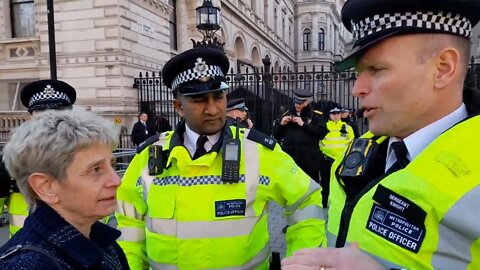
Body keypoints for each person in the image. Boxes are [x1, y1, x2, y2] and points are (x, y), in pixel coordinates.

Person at [282, 0, 480, 269]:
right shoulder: (358, 154)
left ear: (443, 68)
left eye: (376, 70)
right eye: (358, 73)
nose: (357, 89)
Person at [115, 44, 325, 269]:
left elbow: (307, 202)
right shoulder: (148, 158)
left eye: (218, 97)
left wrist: (303, 263)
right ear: (178, 106)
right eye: (199, 100)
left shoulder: (258, 151)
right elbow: (128, 226)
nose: (213, 109)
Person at [0, 108, 129, 269]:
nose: (116, 180)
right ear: (46, 187)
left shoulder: (103, 244)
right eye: (96, 169)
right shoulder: (28, 265)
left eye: (112, 165)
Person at [0, 79, 77, 238]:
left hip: (82, 242)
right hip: (25, 246)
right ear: (31, 117)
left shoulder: (90, 151)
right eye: (42, 115)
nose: (49, 121)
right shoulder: (12, 154)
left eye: (57, 114)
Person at [272, 89, 328, 184]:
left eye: (301, 103)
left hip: (309, 161)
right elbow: (277, 135)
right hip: (291, 159)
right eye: (296, 102)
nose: (298, 105)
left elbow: (322, 133)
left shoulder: (316, 116)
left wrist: (303, 124)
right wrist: (281, 124)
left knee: (310, 188)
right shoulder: (286, 114)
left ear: (308, 102)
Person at [318, 106, 355, 208]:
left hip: (342, 160)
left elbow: (352, 142)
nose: (336, 116)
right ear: (329, 115)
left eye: (338, 113)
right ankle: (324, 203)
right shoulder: (324, 127)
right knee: (325, 183)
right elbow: (319, 142)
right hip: (327, 159)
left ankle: (344, 203)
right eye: (333, 114)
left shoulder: (347, 127)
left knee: (343, 183)